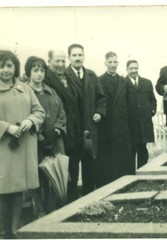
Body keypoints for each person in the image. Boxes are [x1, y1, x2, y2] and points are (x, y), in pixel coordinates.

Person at [0, 50, 44, 238]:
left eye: (9, 66)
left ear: (15, 67)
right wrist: (6, 127)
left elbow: (39, 110)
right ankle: (2, 230)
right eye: (1, 66)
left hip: (22, 147)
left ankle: (15, 229)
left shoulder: (25, 88)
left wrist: (31, 120)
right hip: (4, 148)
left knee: (18, 187)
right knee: (3, 188)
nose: (5, 70)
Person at [25, 56, 66, 215]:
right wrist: (40, 136)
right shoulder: (25, 92)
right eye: (35, 70)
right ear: (29, 72)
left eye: (42, 70)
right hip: (35, 143)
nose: (39, 74)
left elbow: (62, 114)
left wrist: (57, 130)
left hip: (55, 141)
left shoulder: (51, 91)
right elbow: (26, 115)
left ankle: (54, 211)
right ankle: (39, 213)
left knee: (55, 175)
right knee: (38, 178)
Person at [65, 44, 106, 194]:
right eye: (74, 55)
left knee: (90, 165)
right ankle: (72, 199)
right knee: (73, 165)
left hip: (90, 128)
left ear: (84, 56)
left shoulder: (91, 75)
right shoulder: (65, 75)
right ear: (69, 57)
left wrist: (100, 112)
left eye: (80, 55)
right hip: (74, 129)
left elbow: (101, 98)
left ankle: (88, 196)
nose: (77, 58)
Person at [43, 49, 82, 202]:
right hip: (59, 133)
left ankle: (72, 200)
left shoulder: (68, 78)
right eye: (56, 61)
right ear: (49, 61)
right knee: (60, 171)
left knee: (73, 166)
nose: (60, 64)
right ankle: (62, 204)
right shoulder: (46, 80)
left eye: (62, 61)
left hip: (74, 132)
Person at [96, 51, 132, 187]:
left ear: (118, 63)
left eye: (114, 62)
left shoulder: (124, 81)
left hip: (122, 125)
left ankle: (124, 183)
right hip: (107, 125)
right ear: (105, 63)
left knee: (122, 155)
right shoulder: (99, 80)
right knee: (108, 156)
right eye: (110, 62)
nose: (112, 65)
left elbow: (127, 102)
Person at [125, 60, 157, 171]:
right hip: (130, 123)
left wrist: (151, 110)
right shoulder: (123, 83)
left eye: (135, 68)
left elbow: (153, 100)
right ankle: (130, 175)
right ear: (127, 69)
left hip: (144, 123)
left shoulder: (147, 83)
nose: (134, 71)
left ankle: (142, 173)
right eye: (131, 68)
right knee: (131, 150)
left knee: (143, 149)